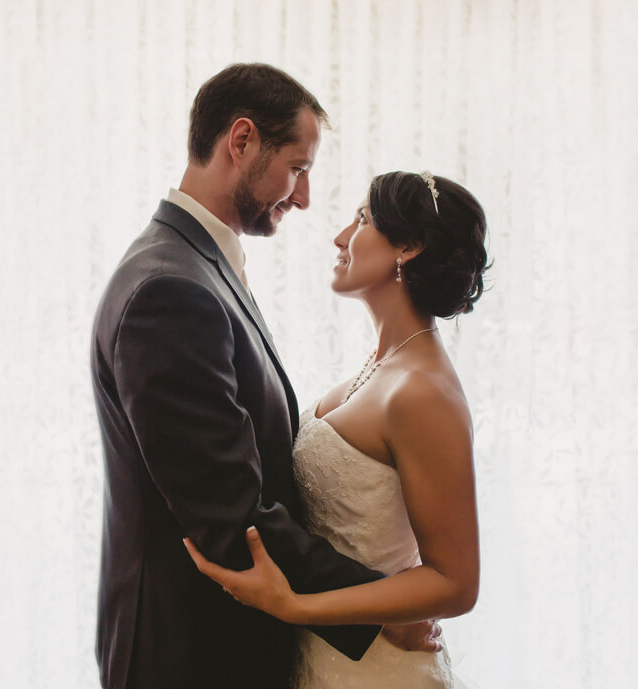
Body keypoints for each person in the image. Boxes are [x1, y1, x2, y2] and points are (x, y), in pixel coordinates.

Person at [90, 64, 438, 689]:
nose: (303, 196)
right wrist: (379, 608)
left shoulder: (192, 266)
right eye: (298, 167)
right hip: (191, 655)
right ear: (242, 140)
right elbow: (229, 513)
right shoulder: (170, 289)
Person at [184, 170, 489, 688]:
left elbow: (455, 582)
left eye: (363, 219)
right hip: (321, 659)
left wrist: (295, 607)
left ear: (408, 246)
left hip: (376, 670)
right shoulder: (380, 367)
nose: (341, 236)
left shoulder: (423, 392)